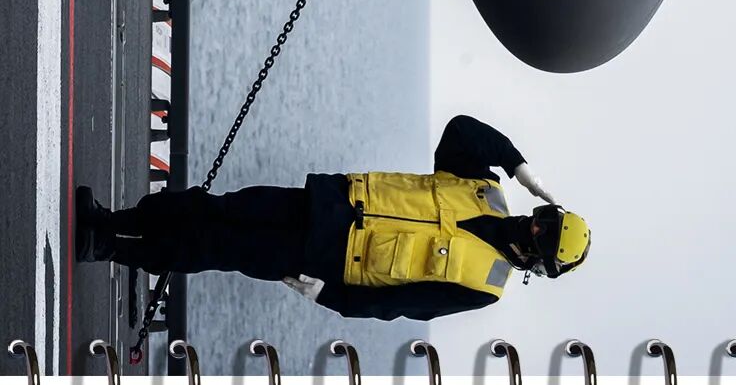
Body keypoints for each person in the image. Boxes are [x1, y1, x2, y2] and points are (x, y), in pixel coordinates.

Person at [75, 114, 590, 320]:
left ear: (539, 258)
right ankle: (113, 219)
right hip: (329, 202)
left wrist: (329, 297)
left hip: (325, 258)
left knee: (215, 247)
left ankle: (112, 248)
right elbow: (460, 131)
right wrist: (518, 166)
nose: (534, 224)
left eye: (542, 234)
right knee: (218, 207)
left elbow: (399, 305)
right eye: (544, 216)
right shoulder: (486, 190)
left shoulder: (485, 286)